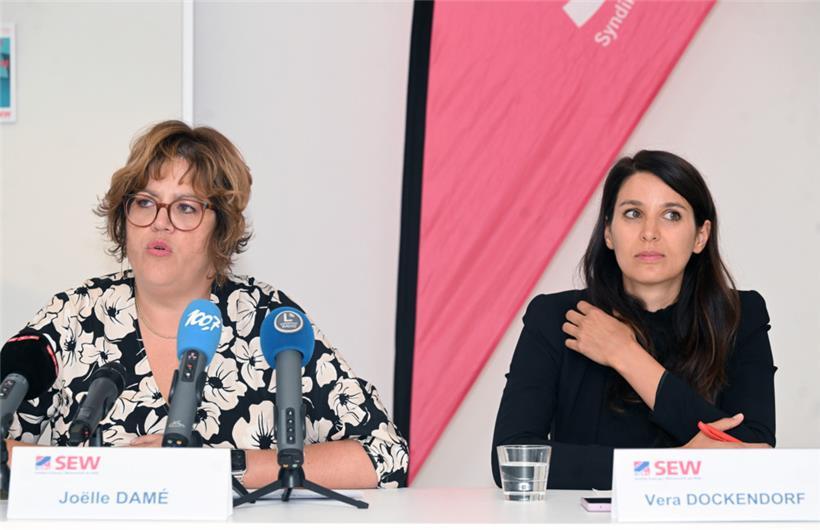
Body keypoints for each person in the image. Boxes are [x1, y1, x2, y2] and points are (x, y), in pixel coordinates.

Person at [5, 120, 408, 489]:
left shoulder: (265, 319)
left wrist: (215, 467)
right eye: (144, 202)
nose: (160, 223)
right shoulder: (73, 317)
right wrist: (103, 472)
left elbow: (384, 456)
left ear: (222, 229)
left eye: (185, 207)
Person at [491, 150, 775, 490]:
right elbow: (513, 459)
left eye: (671, 215)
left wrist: (625, 354)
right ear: (609, 232)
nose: (649, 233)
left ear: (701, 235)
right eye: (633, 214)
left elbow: (755, 456)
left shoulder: (741, 317)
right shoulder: (556, 318)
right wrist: (665, 467)